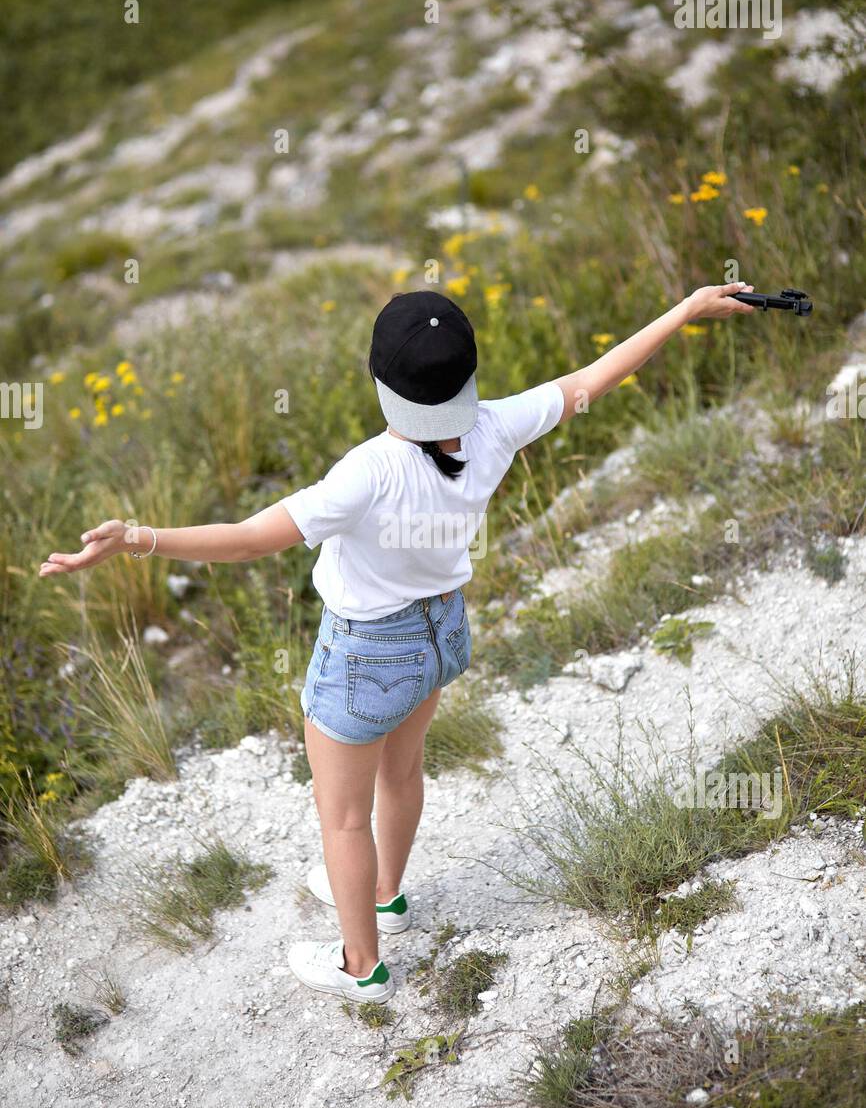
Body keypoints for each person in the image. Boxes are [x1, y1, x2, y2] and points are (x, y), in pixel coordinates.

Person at [38, 282, 755, 1000]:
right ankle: (385, 895)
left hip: (366, 654)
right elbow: (589, 380)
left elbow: (253, 541)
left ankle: (363, 967)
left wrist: (138, 538)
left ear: (383, 383)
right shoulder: (496, 428)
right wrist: (686, 309)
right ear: (466, 378)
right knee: (401, 774)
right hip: (441, 634)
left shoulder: (367, 473)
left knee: (343, 820)